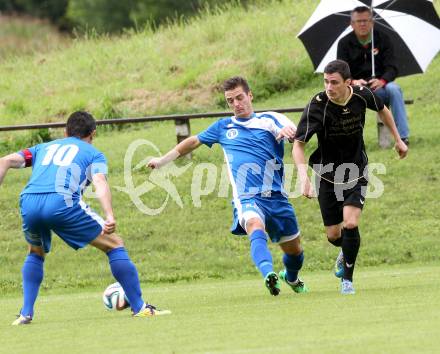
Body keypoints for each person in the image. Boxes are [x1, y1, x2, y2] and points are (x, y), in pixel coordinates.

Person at [0, 111, 170, 325]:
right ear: (93, 134)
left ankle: (25, 313)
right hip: (62, 202)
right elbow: (99, 181)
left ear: (65, 131)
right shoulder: (92, 153)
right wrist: (109, 214)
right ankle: (140, 308)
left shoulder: (43, 148)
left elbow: (5, 160)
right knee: (115, 244)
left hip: (29, 201)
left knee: (35, 252)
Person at [148, 76, 308, 296]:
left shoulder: (269, 120)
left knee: (295, 252)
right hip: (247, 196)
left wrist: (288, 133)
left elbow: (291, 128)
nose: (236, 104)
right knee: (253, 224)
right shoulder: (224, 127)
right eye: (230, 101)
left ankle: (291, 277)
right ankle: (268, 274)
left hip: (276, 197)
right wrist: (162, 160)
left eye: (240, 98)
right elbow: (193, 141)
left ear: (250, 95)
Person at [293, 60, 407, 294]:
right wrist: (303, 178)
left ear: (348, 82)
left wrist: (398, 139)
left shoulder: (362, 95)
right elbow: (298, 145)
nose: (329, 87)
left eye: (334, 82)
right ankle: (345, 249)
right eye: (326, 81)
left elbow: (383, 109)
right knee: (334, 235)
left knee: (351, 222)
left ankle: (347, 279)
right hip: (326, 175)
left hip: (357, 171)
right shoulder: (317, 106)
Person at [337, 6, 410, 145]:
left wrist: (382, 80)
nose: (363, 24)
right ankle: (349, 141)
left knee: (394, 89)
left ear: (372, 22)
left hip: (381, 87)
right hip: (356, 89)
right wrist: (352, 81)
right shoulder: (344, 43)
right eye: (359, 21)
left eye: (366, 20)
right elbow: (340, 71)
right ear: (352, 24)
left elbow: (393, 68)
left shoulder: (383, 39)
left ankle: (403, 138)